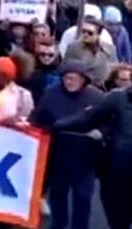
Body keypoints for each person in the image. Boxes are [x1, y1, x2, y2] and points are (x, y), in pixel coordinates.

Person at [53, 66, 132, 229]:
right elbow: (89, 117)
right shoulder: (118, 98)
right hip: (118, 170)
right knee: (118, 219)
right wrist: (59, 125)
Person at [31, 60, 105, 229]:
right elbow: (37, 119)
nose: (68, 82)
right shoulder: (51, 94)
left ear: (83, 79)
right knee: (58, 196)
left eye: (72, 78)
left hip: (85, 157)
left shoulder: (97, 97)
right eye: (65, 78)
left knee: (83, 197)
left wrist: (101, 132)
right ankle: (59, 224)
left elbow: (109, 122)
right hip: (59, 155)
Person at [64, 17, 113, 88]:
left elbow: (113, 70)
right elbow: (66, 69)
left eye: (90, 33)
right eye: (83, 31)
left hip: (102, 89)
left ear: (98, 34)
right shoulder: (73, 48)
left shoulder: (109, 49)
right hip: (80, 88)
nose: (85, 35)